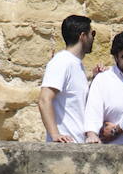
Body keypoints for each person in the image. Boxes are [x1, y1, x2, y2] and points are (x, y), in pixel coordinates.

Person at [37, 14, 95, 142]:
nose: (93, 38)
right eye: (92, 34)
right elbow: (44, 99)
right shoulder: (62, 62)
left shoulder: (76, 64)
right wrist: (55, 135)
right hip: (65, 149)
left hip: (76, 146)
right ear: (83, 36)